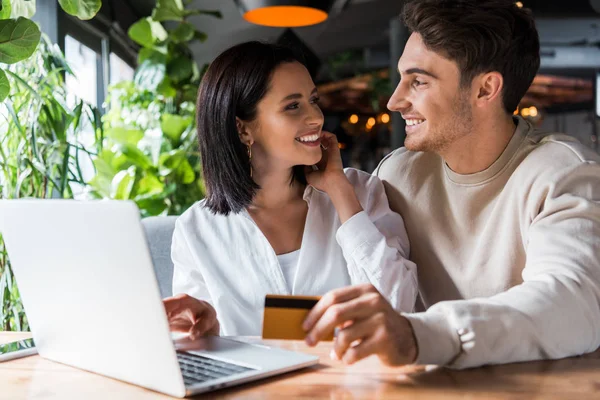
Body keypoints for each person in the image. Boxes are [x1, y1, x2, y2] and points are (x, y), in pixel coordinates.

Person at [303, 0, 600, 369]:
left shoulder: (564, 173)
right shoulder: (397, 174)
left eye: (419, 81)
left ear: (485, 89)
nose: (395, 101)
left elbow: (571, 306)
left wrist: (420, 335)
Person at [163, 41, 418, 338]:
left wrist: (340, 193)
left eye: (314, 100)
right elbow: (195, 339)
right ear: (243, 129)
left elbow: (402, 309)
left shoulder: (360, 192)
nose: (317, 117)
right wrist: (205, 329)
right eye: (293, 106)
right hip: (253, 384)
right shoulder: (197, 230)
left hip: (356, 381)